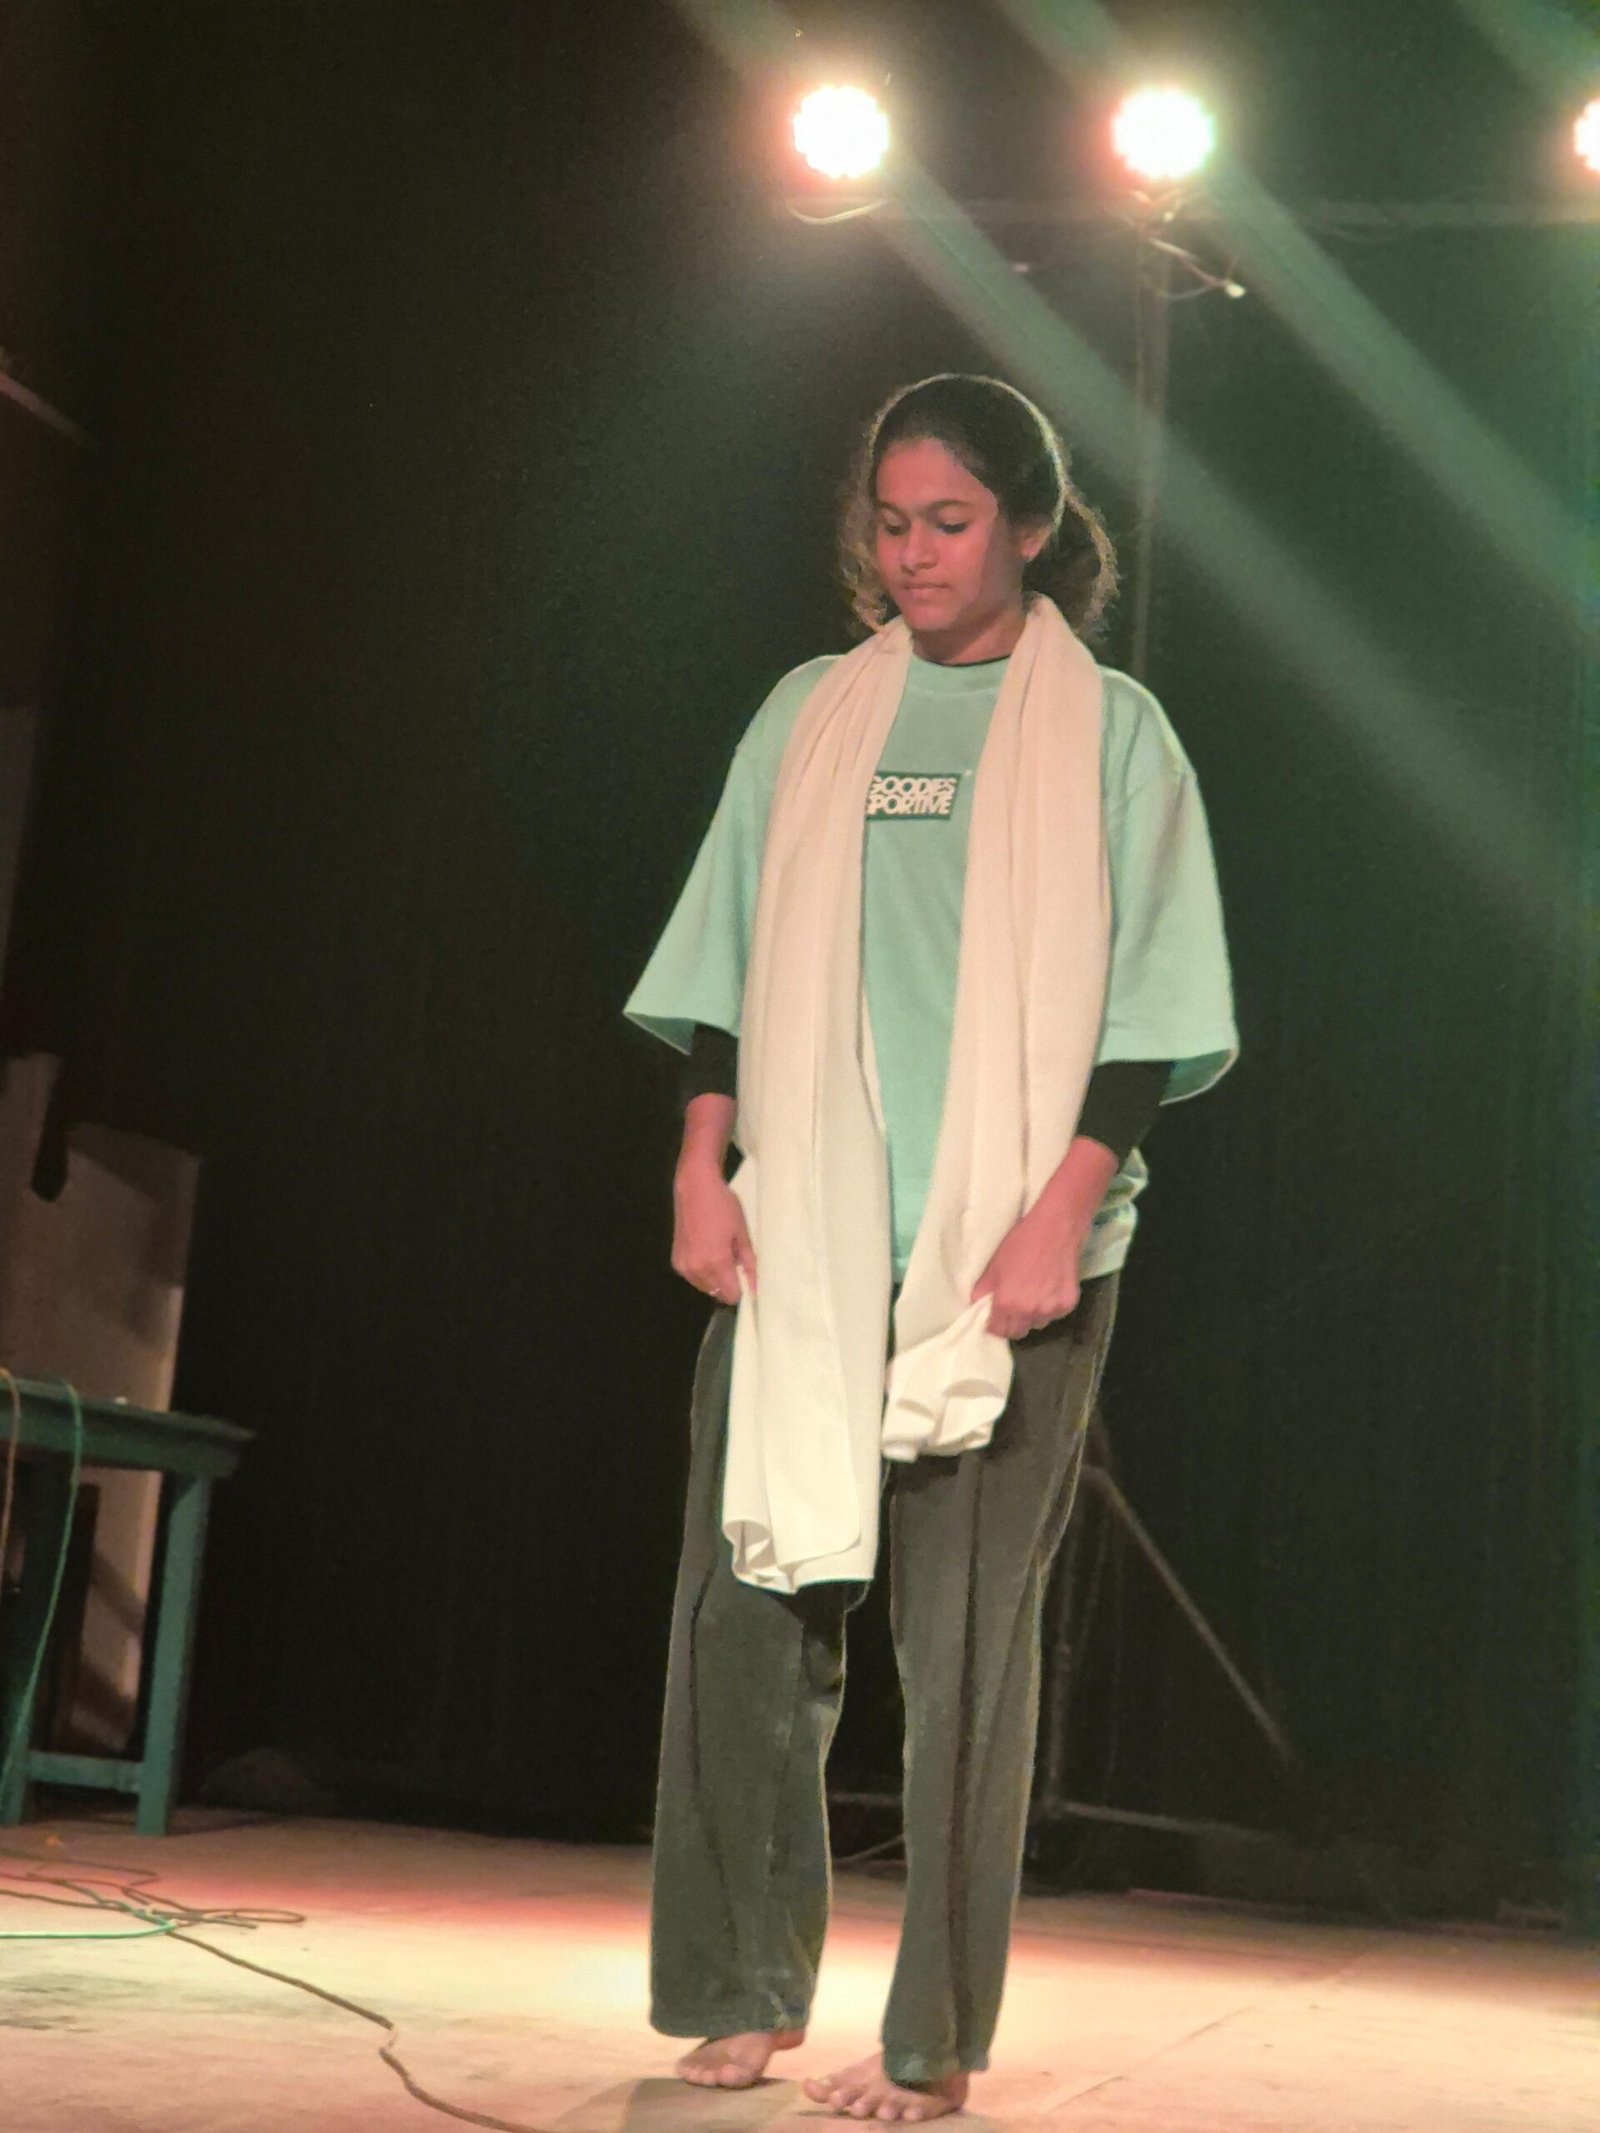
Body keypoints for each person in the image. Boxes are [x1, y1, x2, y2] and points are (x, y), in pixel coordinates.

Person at [624, 373, 1237, 2123]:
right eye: (891, 523)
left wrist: (1061, 1211)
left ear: (1031, 528)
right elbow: (726, 962)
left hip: (1012, 1257)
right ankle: (741, 1986)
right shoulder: (813, 713)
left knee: (964, 1651)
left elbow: (1152, 1011)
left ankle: (933, 2042)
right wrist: (701, 1165)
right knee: (745, 1608)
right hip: (806, 1239)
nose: (914, 554)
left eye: (951, 522)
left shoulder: (1114, 734)